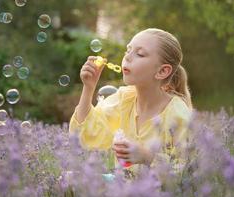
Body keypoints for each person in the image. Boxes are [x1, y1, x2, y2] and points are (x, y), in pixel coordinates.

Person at [69, 28, 193, 174]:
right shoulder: (124, 100)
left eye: (139, 54)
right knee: (70, 178)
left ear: (162, 71)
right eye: (128, 51)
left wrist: (147, 157)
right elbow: (85, 136)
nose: (127, 57)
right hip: (122, 187)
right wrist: (88, 88)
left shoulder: (178, 115)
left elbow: (185, 173)